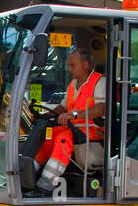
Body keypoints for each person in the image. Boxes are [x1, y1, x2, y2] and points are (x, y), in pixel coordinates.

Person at [28, 47, 106, 191]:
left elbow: (102, 108)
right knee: (48, 136)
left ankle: (46, 183)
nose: (69, 69)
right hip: (73, 127)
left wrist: (75, 115)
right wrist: (45, 117)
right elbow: (63, 107)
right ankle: (29, 173)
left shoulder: (99, 82)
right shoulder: (72, 85)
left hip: (92, 130)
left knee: (63, 139)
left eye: (72, 65)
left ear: (86, 65)